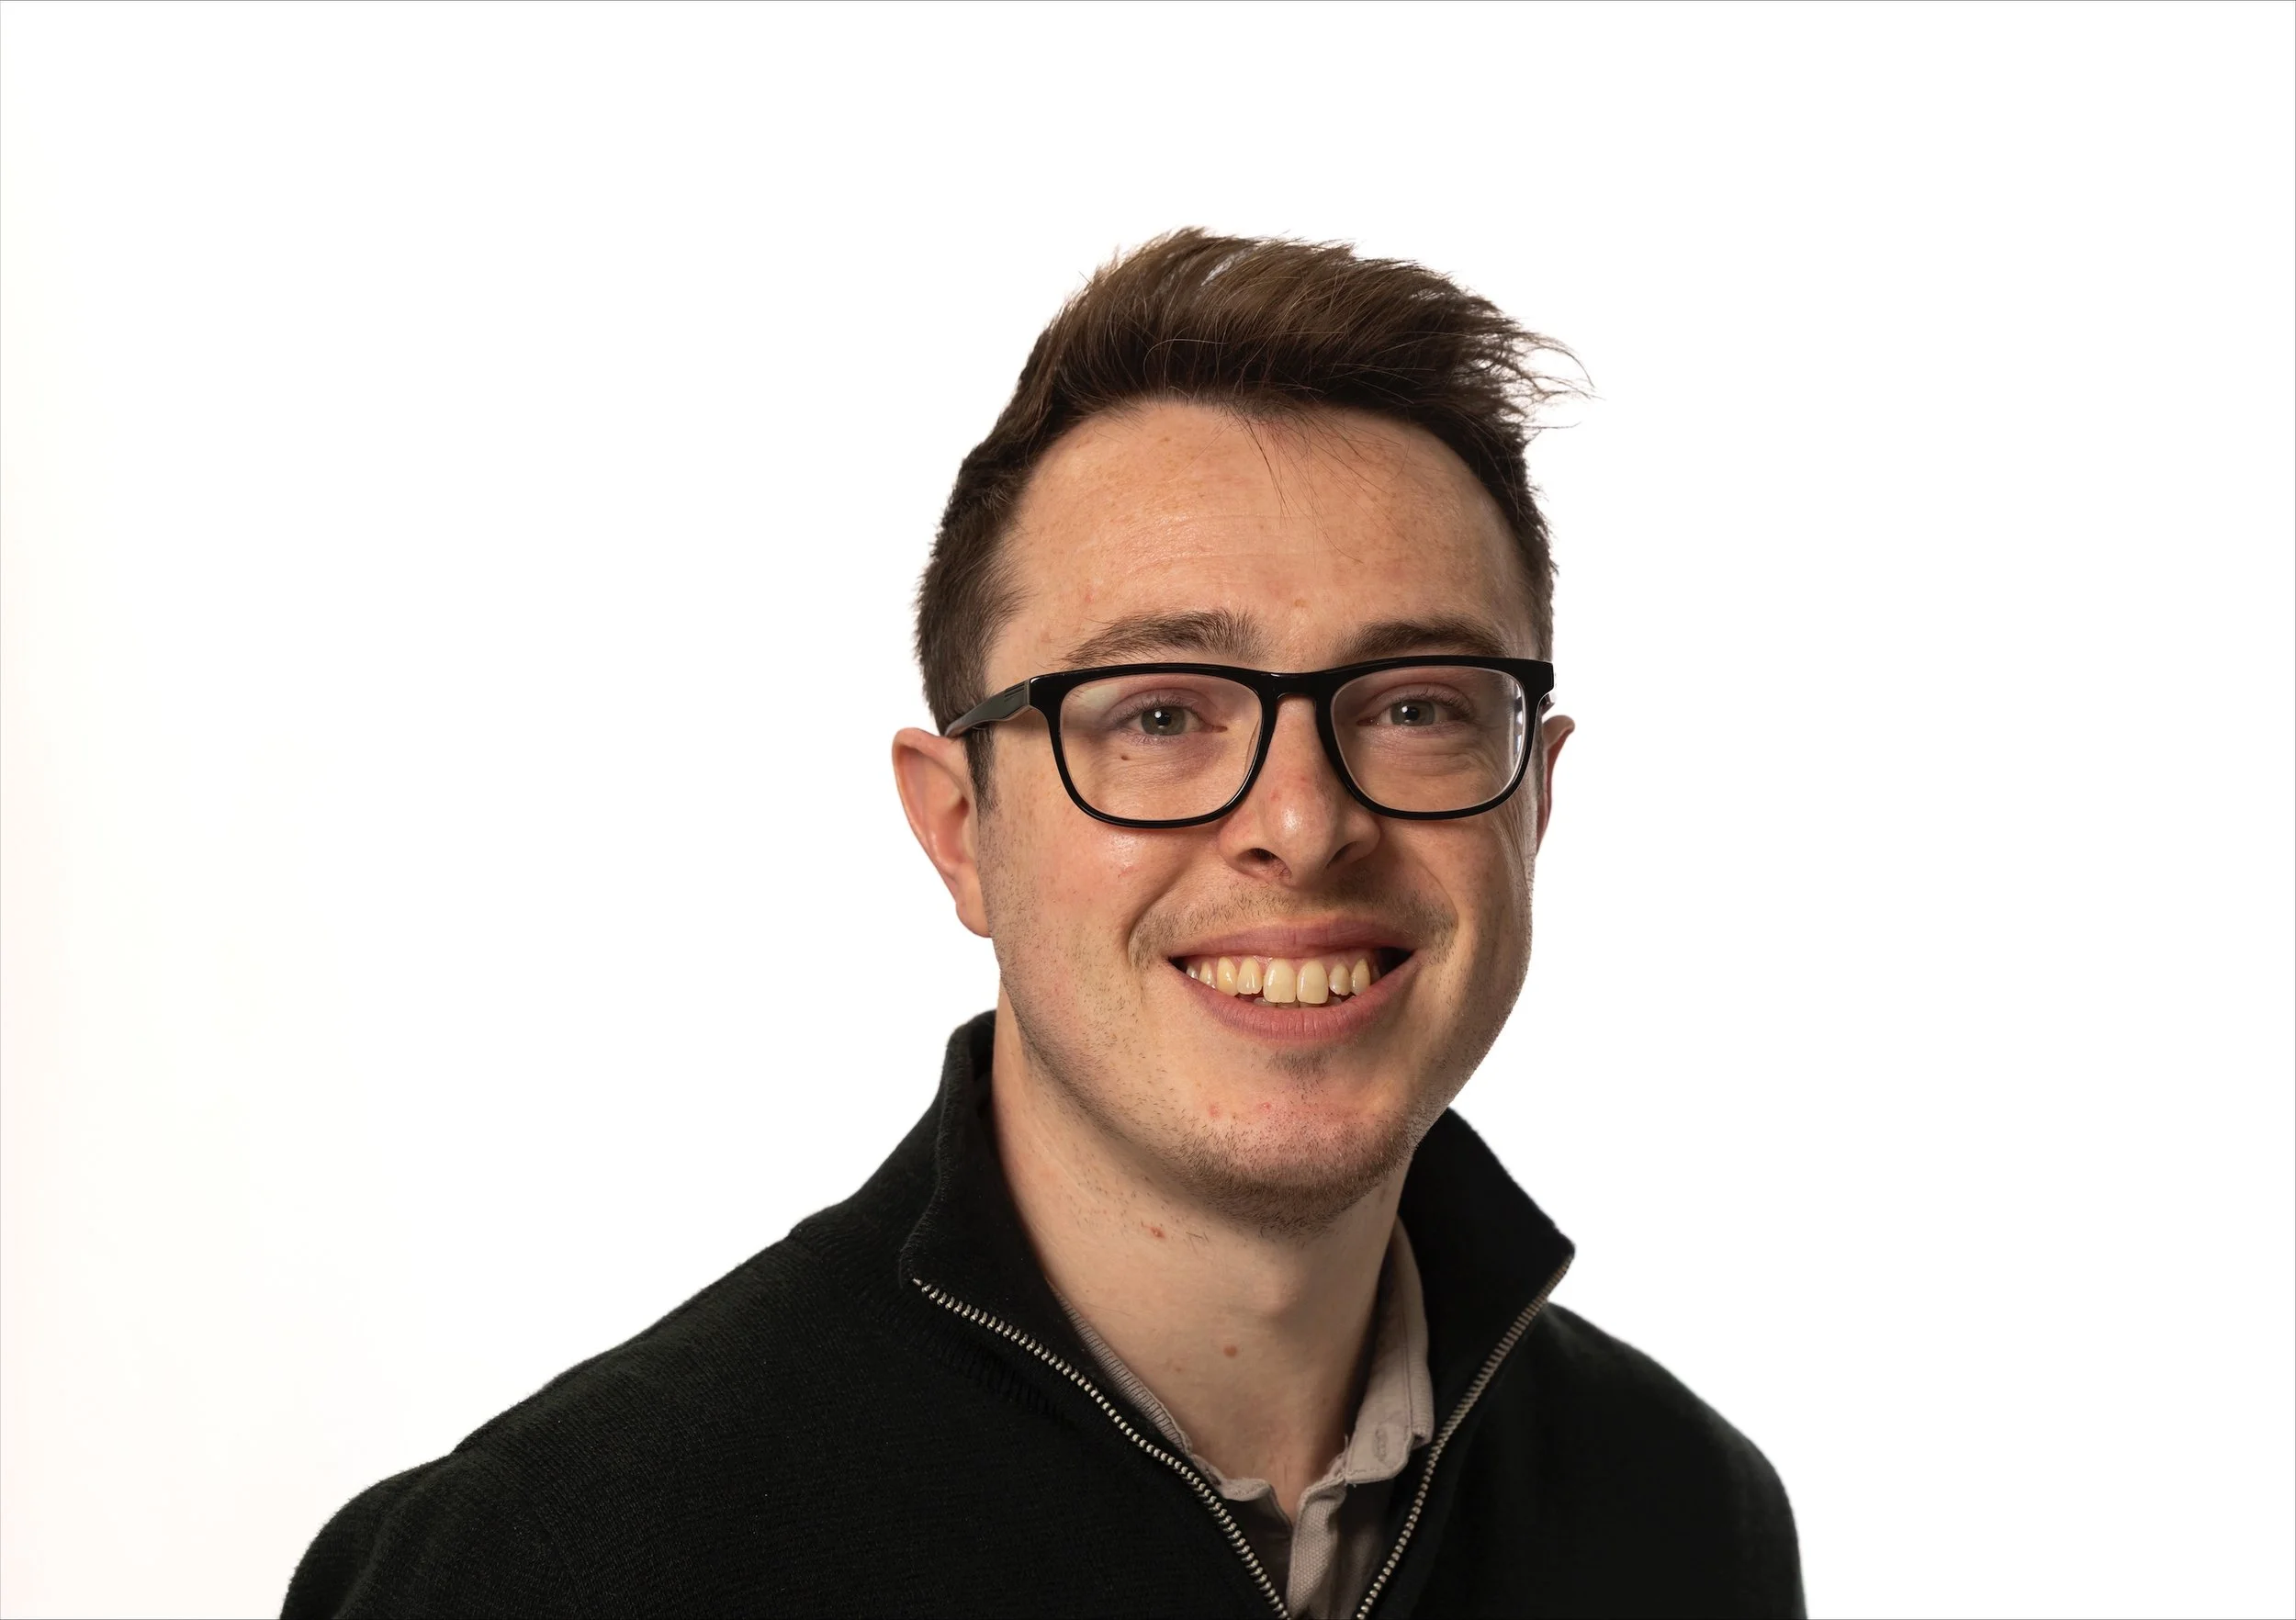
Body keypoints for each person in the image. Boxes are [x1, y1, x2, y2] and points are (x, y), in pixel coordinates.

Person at [284, 230, 1804, 1619]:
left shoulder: (1683, 1518)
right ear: (961, 830)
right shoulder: (543, 1574)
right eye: (1158, 715)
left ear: (1533, 803)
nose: (1302, 824)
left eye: (1414, 708)